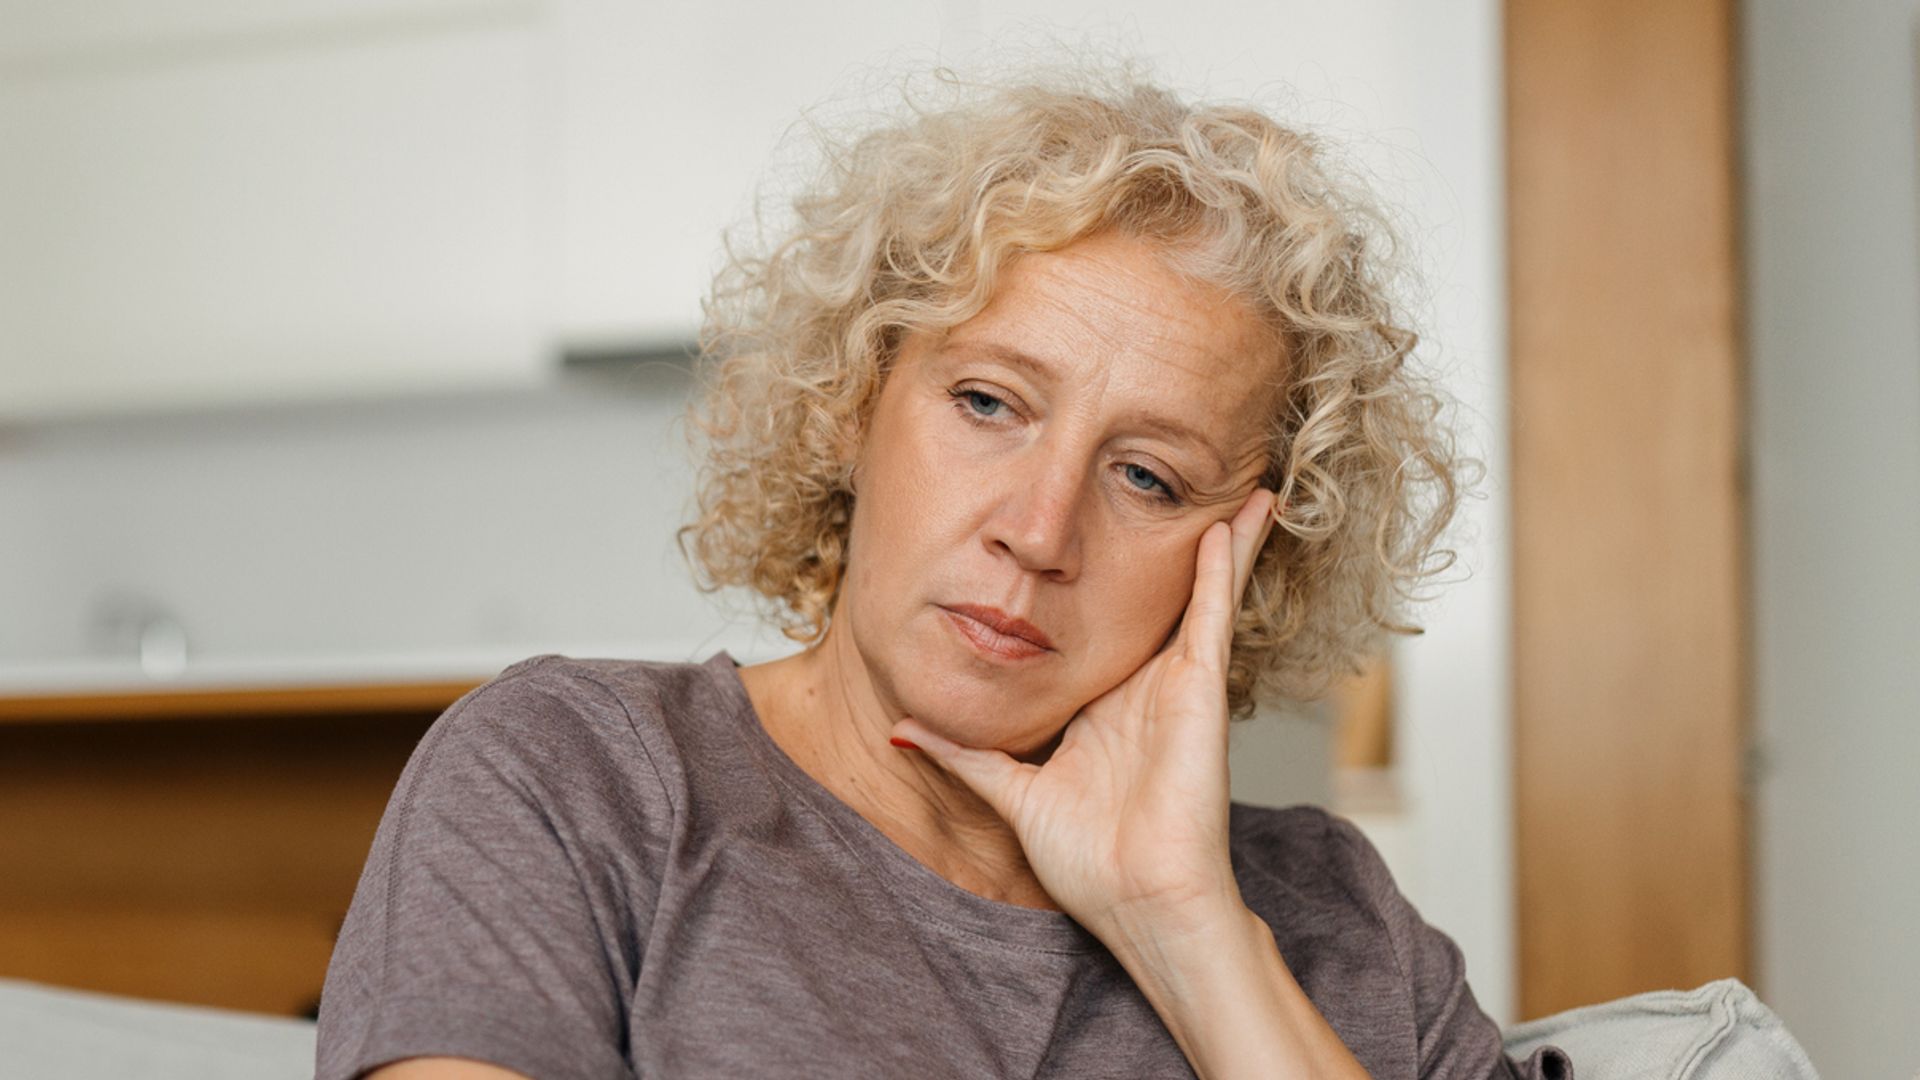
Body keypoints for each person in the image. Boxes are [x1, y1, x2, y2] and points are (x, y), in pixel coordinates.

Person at [315, 65, 1574, 1079]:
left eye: (1149, 477)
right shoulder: (575, 777)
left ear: (1250, 556)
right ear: (858, 404)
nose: (1039, 529)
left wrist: (1185, 929)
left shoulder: (1335, 928)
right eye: (987, 402)